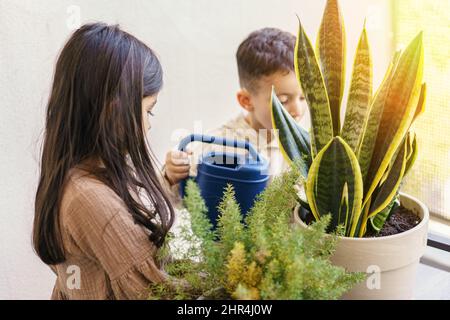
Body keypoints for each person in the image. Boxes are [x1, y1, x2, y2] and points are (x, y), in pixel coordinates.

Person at [33, 23, 177, 299]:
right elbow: (159, 293)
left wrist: (168, 179)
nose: (148, 126)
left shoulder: (76, 176)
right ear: (115, 109)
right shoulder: (91, 201)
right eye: (149, 111)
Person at [164, 28, 307, 188]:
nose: (298, 110)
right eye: (283, 100)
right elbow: (170, 198)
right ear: (246, 100)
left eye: (303, 97)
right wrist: (170, 175)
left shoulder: (306, 149)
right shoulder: (216, 145)